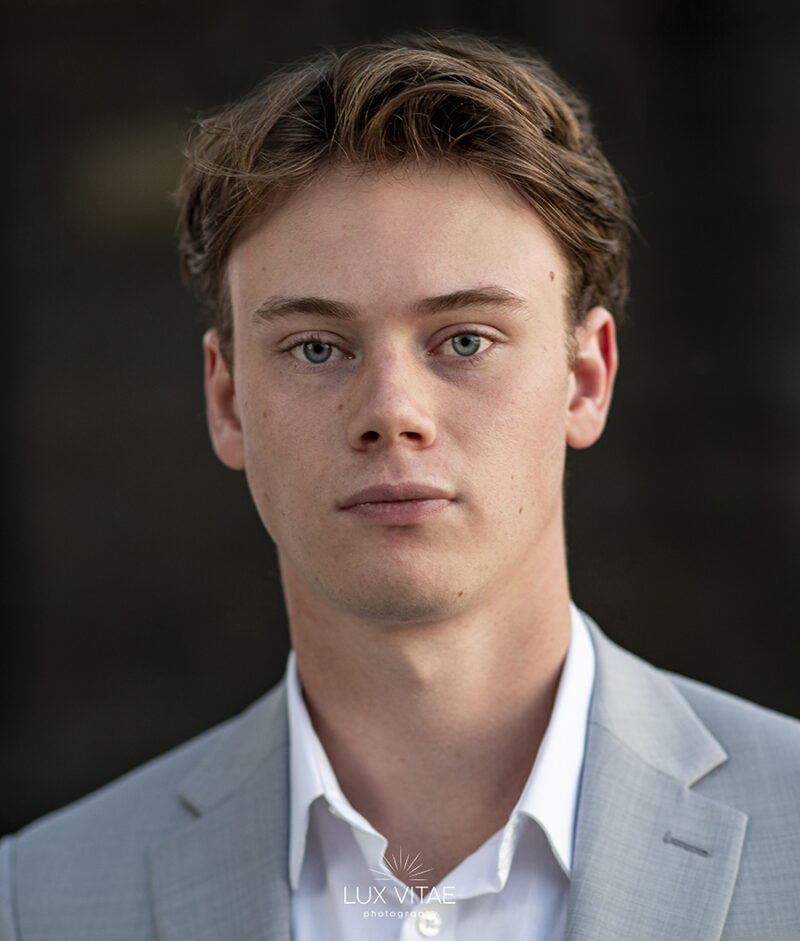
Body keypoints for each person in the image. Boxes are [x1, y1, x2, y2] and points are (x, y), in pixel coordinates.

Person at [1, 32, 798, 941]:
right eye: (315, 348)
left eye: (465, 339)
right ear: (226, 400)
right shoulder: (40, 901)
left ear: (586, 380)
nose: (390, 411)